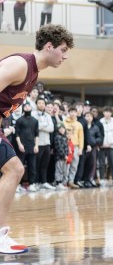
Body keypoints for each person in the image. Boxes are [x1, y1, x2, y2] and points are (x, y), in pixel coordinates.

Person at [0, 23, 73, 253]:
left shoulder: (34, 74)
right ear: (49, 46)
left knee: (14, 170)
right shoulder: (21, 64)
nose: (65, 56)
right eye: (63, 50)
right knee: (15, 170)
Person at [15, 103, 39, 192]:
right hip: (22, 146)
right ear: (23, 108)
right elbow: (16, 134)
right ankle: (18, 184)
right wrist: (19, 144)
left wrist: (36, 145)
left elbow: (37, 134)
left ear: (31, 108)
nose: (27, 107)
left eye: (29, 106)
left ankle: (32, 184)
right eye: (25, 106)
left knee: (32, 166)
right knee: (20, 166)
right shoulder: (19, 120)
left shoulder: (35, 120)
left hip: (32, 146)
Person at [33, 97, 55, 190]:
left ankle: (44, 182)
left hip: (47, 143)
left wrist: (41, 126)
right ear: (36, 104)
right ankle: (35, 182)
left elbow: (51, 129)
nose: (41, 104)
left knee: (45, 164)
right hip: (38, 143)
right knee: (36, 164)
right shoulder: (33, 114)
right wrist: (44, 126)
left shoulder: (48, 115)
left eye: (43, 103)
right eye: (39, 103)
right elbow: (35, 127)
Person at [99, 107, 113, 187]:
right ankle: (102, 180)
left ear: (111, 113)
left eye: (109, 112)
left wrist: (111, 143)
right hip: (102, 146)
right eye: (106, 112)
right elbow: (98, 134)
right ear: (103, 113)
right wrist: (101, 143)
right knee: (101, 164)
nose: (107, 113)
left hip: (112, 146)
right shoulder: (100, 121)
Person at [53, 124, 69, 190]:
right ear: (58, 130)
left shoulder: (65, 137)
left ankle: (61, 183)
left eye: (63, 128)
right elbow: (59, 148)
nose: (62, 130)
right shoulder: (57, 137)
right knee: (59, 170)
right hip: (59, 157)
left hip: (64, 157)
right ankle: (58, 183)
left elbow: (66, 147)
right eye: (60, 129)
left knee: (63, 170)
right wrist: (64, 155)